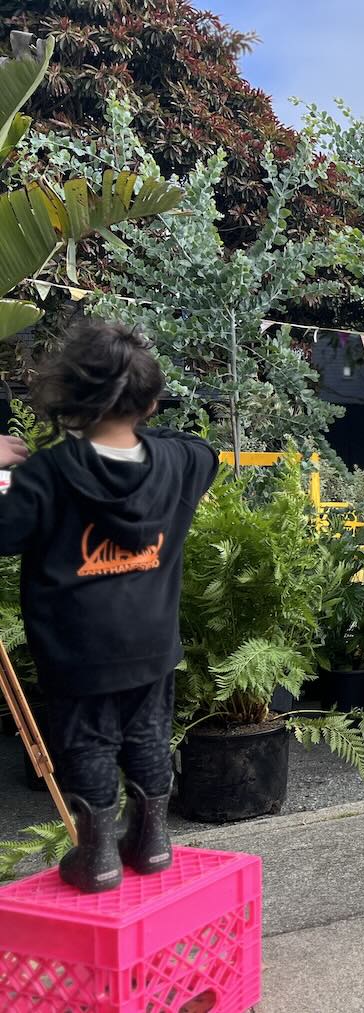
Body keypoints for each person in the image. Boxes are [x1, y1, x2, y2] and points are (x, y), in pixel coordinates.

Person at [0, 321, 218, 892]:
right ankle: (152, 843)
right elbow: (202, 448)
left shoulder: (46, 475)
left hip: (77, 651)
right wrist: (141, 419)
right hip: (151, 645)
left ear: (69, 400)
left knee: (87, 742)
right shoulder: (181, 465)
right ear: (149, 401)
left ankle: (96, 855)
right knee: (148, 734)